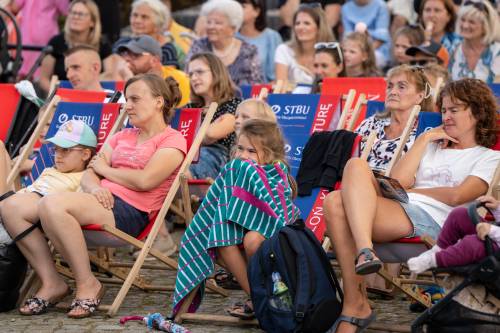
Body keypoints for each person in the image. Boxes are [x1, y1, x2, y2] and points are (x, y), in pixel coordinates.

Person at [323, 78, 499, 332]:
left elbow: (458, 196)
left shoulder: (489, 156)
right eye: (444, 110)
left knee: (335, 203)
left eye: (454, 110)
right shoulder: (433, 146)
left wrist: (413, 191)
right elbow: (399, 181)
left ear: (477, 112)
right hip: (399, 209)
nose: (446, 116)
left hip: (433, 222)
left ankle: (354, 304)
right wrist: (423, 139)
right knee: (354, 167)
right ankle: (365, 255)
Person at [7, 74, 187, 318]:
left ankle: (88, 284)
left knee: (53, 204)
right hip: (97, 199)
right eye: (126, 99)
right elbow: (90, 174)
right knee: (11, 207)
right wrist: (95, 186)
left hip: (131, 212)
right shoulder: (121, 136)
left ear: (158, 102)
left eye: (135, 99)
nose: (127, 105)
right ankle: (52, 281)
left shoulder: (172, 139)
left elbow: (146, 181)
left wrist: (105, 171)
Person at [172, 119, 299, 318]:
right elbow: (221, 205)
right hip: (237, 236)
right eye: (240, 149)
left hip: (275, 241)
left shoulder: (276, 175)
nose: (243, 156)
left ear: (270, 154)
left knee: (252, 240)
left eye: (251, 151)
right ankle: (259, 298)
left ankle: (264, 298)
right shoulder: (233, 173)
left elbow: (279, 214)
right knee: (217, 241)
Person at [1, 120, 97, 315]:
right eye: (56, 149)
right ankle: (51, 282)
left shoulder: (85, 177)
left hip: (43, 212)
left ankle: (53, 283)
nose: (58, 155)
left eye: (66, 150)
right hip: (18, 208)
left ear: (86, 154)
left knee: (9, 206)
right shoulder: (49, 170)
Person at [408, 195, 500, 273]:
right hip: (495, 235)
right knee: (460, 214)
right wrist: (496, 209)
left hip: (496, 253)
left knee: (472, 243)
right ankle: (439, 248)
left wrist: (492, 230)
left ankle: (434, 260)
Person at [38, 0, 114, 94]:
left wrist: (88, 83)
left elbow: (110, 74)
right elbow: (43, 79)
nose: (75, 17)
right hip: (60, 98)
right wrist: (57, 95)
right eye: (73, 13)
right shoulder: (56, 42)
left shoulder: (103, 43)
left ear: (92, 22)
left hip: (94, 96)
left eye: (81, 14)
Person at [185, 53, 241, 180]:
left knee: (199, 158)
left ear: (216, 73)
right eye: (191, 74)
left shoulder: (234, 104)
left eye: (199, 72)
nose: (193, 78)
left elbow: (213, 134)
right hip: (188, 157)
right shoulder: (190, 108)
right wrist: (203, 136)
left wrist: (194, 138)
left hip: (218, 159)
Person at [186, 0, 264, 86]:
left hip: (242, 99)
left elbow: (257, 85)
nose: (211, 27)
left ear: (233, 28)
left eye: (217, 23)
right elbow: (188, 76)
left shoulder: (249, 51)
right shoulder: (199, 46)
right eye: (209, 22)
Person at [116, 35, 190, 107]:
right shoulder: (124, 77)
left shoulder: (179, 80)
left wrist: (129, 81)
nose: (127, 59)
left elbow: (170, 115)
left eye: (135, 55)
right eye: (126, 54)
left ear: (154, 60)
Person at [6, 0, 69, 80]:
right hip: (46, 35)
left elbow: (14, 7)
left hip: (28, 35)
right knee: (44, 74)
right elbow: (66, 10)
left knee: (23, 74)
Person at [275, 4, 334, 86]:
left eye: (306, 23)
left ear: (319, 28)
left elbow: (331, 85)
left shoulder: (330, 52)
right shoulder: (284, 50)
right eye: (297, 23)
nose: (300, 27)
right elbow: (280, 86)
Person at [113, 0, 179, 69]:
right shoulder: (121, 43)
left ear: (158, 23)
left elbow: (169, 77)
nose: (137, 21)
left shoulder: (166, 49)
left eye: (144, 17)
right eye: (135, 15)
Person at [449, 1, 500, 84]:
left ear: (485, 26)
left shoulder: (497, 52)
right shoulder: (453, 49)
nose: (465, 25)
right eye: (463, 20)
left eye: (471, 22)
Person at [236, 0, 283, 83]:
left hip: (263, 93)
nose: (237, 9)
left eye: (243, 6)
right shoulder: (229, 36)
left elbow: (277, 77)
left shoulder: (272, 37)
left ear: (257, 11)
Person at [341, 0, 391, 68]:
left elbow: (382, 37)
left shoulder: (381, 5)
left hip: (377, 49)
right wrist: (352, 51)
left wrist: (367, 51)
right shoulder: (345, 8)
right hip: (353, 48)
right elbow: (347, 35)